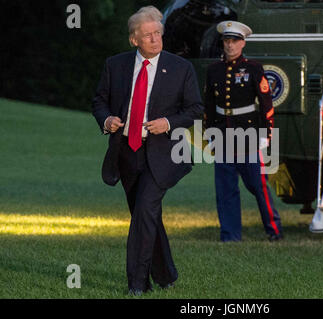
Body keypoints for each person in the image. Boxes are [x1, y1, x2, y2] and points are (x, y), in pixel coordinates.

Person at [92, 6, 203, 296]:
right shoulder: (114, 65)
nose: (155, 39)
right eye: (148, 35)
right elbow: (99, 101)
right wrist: (107, 120)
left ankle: (138, 284)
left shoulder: (181, 68)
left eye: (158, 33)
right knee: (145, 215)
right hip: (126, 152)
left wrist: (167, 122)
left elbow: (195, 109)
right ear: (134, 40)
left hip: (163, 154)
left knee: (144, 211)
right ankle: (166, 274)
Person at [204, 21, 283, 242]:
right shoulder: (213, 70)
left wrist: (267, 136)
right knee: (225, 189)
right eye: (226, 41)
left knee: (258, 186)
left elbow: (266, 105)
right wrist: (210, 134)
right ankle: (230, 235)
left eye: (234, 41)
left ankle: (274, 230)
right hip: (222, 135)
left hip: (248, 135)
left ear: (243, 43)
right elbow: (209, 105)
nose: (230, 46)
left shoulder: (254, 68)